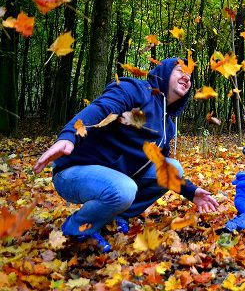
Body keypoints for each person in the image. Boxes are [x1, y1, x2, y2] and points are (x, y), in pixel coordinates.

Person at [33, 57, 219, 252]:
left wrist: (191, 192)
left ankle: (115, 215)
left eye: (189, 75)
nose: (186, 77)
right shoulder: (136, 90)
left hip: (114, 176)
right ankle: (78, 228)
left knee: (174, 168)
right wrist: (69, 135)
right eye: (180, 70)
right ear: (163, 72)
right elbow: (102, 107)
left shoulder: (167, 125)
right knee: (124, 189)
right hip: (73, 172)